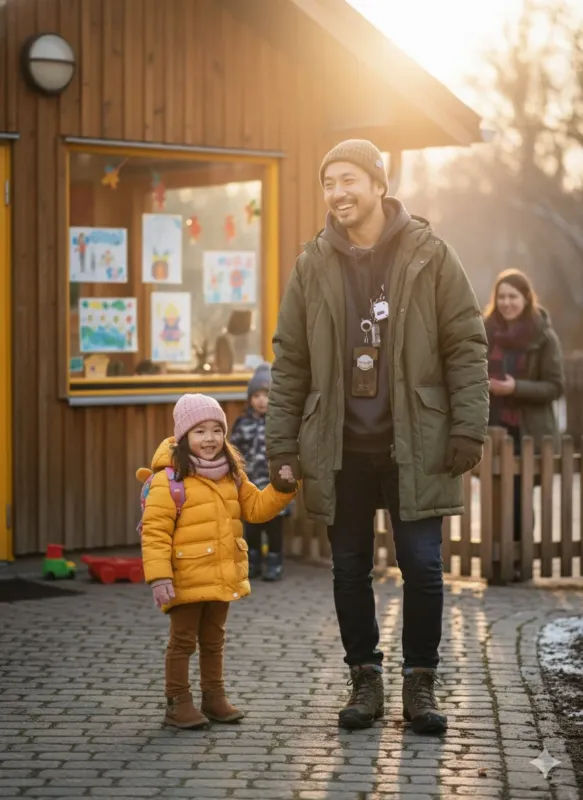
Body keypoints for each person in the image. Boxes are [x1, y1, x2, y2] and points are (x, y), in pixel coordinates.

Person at [265, 139, 489, 734]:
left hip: (415, 442)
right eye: (328, 182)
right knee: (348, 569)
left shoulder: (430, 254)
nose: (337, 193)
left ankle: (420, 681)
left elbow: (465, 344)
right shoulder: (312, 263)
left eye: (347, 181)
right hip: (342, 449)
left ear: (377, 184)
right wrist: (282, 445)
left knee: (421, 567)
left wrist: (468, 425)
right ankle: (365, 677)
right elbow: (289, 359)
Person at [139, 394, 296, 730]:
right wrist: (159, 578)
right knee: (183, 641)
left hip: (221, 574)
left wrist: (282, 489)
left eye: (215, 431)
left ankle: (214, 697)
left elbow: (255, 508)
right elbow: (154, 534)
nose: (209, 439)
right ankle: (177, 701)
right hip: (184, 576)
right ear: (183, 436)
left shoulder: (231, 475)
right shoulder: (170, 481)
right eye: (199, 431)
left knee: (214, 640)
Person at [484, 269, 564, 552]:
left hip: (526, 431)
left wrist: (516, 388)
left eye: (513, 297)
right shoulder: (485, 331)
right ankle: (496, 559)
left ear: (526, 299)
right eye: (501, 296)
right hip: (491, 428)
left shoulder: (543, 336)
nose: (506, 302)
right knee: (492, 498)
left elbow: (555, 387)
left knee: (518, 499)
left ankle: (520, 560)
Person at [230, 363, 289, 581]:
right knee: (252, 527)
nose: (262, 400)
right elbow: (233, 451)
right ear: (250, 399)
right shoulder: (242, 423)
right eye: (256, 396)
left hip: (275, 486)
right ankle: (253, 562)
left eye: (266, 395)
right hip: (250, 485)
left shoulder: (281, 423)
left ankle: (274, 562)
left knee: (274, 527)